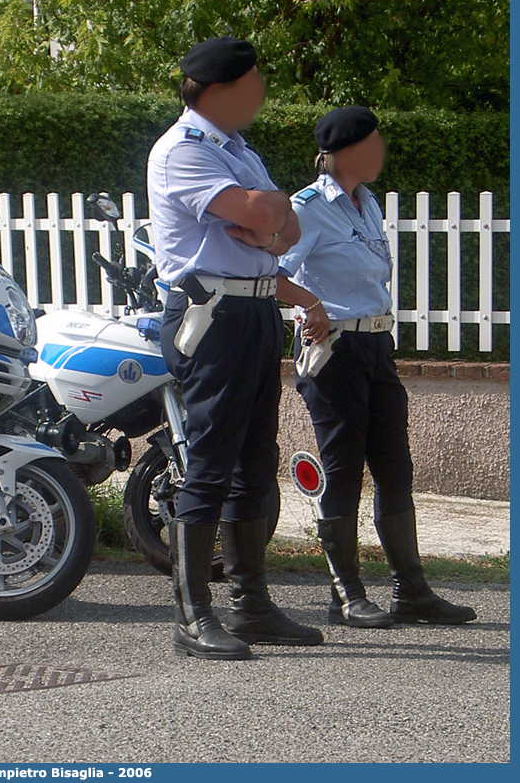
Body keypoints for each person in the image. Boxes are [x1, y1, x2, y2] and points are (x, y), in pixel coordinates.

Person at [147, 36, 324, 660]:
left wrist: (266, 220)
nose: (260, 93)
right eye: (253, 83)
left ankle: (251, 606)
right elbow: (264, 212)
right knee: (212, 458)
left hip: (253, 307)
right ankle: (194, 615)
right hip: (210, 312)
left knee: (255, 456)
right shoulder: (182, 152)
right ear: (219, 89)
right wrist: (265, 216)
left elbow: (290, 225)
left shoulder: (238, 151)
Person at [278, 106, 477, 627]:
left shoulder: (365, 205)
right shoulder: (308, 208)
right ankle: (345, 595)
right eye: (372, 142)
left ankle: (411, 591)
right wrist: (310, 306)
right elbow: (270, 273)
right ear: (344, 153)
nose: (381, 151)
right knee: (343, 470)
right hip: (335, 350)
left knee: (395, 466)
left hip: (375, 346)